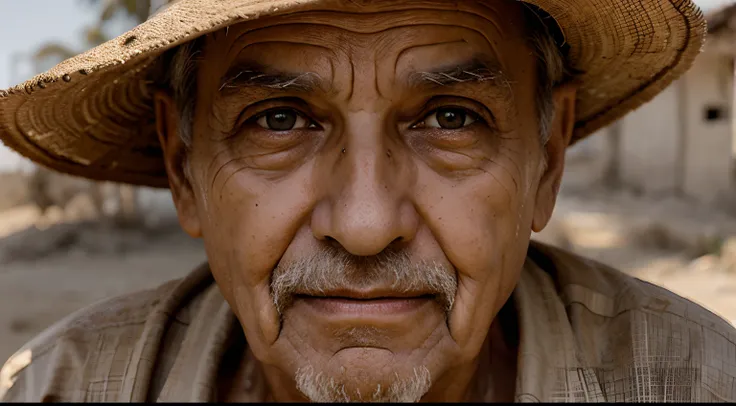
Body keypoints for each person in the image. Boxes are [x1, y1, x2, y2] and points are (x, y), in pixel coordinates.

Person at [0, 0, 732, 402]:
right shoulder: (53, 392)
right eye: (279, 120)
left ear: (546, 157)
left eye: (451, 117)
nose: (365, 225)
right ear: (184, 164)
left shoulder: (699, 383)